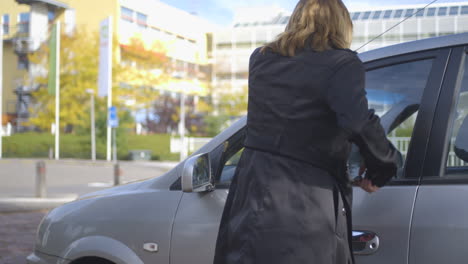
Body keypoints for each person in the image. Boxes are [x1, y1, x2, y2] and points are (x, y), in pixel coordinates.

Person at [213, 0, 399, 263]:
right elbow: (357, 122)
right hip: (306, 198)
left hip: (252, 190)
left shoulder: (261, 59)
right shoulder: (342, 64)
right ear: (341, 24)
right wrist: (384, 166)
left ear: (296, 19)